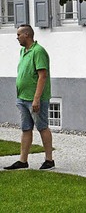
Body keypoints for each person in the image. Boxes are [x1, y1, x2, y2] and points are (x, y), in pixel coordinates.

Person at [4, 24, 55, 170]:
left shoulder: (38, 51)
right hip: (22, 97)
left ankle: (49, 160)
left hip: (35, 98)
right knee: (26, 128)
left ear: (27, 34)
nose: (17, 37)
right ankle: (23, 160)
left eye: (19, 34)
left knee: (42, 127)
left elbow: (42, 76)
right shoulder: (23, 51)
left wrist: (37, 98)